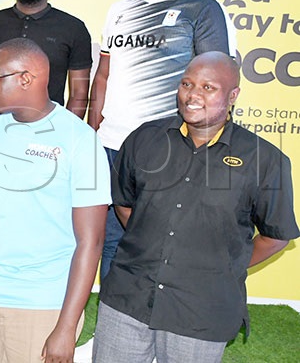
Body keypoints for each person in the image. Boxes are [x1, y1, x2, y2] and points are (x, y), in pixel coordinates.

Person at [93, 52, 299, 362]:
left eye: (208, 87)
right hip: (127, 300)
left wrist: (225, 266)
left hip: (201, 314)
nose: (193, 95)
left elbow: (275, 236)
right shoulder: (144, 139)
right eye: (187, 84)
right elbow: (124, 204)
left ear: (233, 96)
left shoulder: (265, 160)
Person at [0, 38, 109, 363]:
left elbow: (91, 241)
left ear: (25, 78)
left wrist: (66, 327)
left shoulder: (81, 141)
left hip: (42, 304)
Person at [87, 0, 236, 280]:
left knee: (158, 241)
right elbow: (104, 74)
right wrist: (92, 128)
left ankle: (156, 326)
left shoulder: (201, 8)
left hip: (166, 146)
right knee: (111, 240)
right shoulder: (120, 9)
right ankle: (114, 329)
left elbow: (216, 80)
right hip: (111, 145)